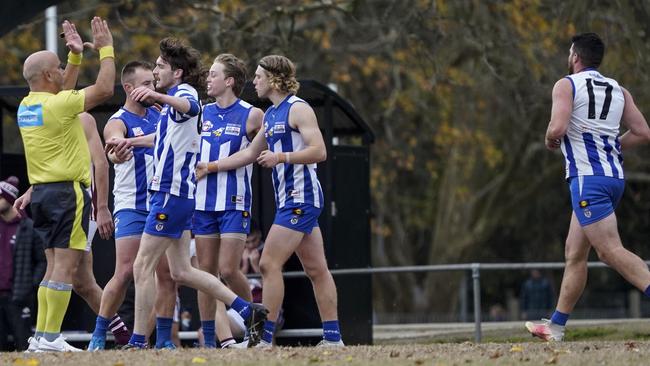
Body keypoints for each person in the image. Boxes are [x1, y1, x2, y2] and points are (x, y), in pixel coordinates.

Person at [115, 38, 267, 350]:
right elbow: (163, 137)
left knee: (142, 267)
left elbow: (191, 106)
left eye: (160, 66)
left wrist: (157, 94)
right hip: (183, 197)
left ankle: (137, 341)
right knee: (183, 270)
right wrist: (130, 143)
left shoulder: (182, 94)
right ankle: (247, 309)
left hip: (170, 196)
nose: (155, 70)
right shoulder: (172, 99)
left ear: (178, 72)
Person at [195, 55, 343, 348]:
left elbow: (319, 151)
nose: (256, 81)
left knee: (267, 264)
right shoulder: (272, 114)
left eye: (260, 76)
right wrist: (210, 167)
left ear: (275, 79)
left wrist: (282, 157)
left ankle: (262, 338)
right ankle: (333, 337)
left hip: (301, 198)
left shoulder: (298, 109)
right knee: (316, 269)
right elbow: (249, 154)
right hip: (290, 200)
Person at [525, 33, 650, 341]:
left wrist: (549, 139)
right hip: (613, 179)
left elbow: (557, 128)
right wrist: (614, 146)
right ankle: (555, 326)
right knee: (574, 253)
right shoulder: (618, 90)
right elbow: (643, 132)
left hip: (587, 181)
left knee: (609, 252)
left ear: (575, 57)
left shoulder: (566, 84)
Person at [14, 16, 115, 352]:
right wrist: (105, 51)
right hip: (66, 194)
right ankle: (50, 338)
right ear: (47, 75)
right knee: (67, 268)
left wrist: (73, 58)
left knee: (53, 268)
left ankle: (42, 336)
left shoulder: (28, 107)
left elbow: (62, 91)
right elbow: (103, 90)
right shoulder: (59, 106)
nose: (62, 71)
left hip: (41, 194)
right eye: (58, 67)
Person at [87, 61, 177, 350]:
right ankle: (99, 334)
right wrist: (117, 150)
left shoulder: (161, 113)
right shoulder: (119, 119)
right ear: (129, 88)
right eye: (147, 84)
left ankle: (161, 339)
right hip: (132, 204)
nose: (153, 89)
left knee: (166, 275)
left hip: (162, 202)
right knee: (125, 272)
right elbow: (112, 141)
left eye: (154, 82)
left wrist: (133, 144)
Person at [193, 53, 263, 348]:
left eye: (213, 74)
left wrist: (211, 167)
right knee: (205, 274)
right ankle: (211, 340)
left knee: (229, 270)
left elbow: (254, 152)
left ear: (229, 81)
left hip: (234, 201)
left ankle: (255, 327)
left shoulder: (251, 114)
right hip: (202, 204)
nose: (208, 79)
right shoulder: (201, 113)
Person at [0, 177, 46, 351]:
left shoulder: (28, 227)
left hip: (18, 297)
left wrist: (30, 285)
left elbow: (42, 260)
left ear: (10, 198)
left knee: (23, 344)